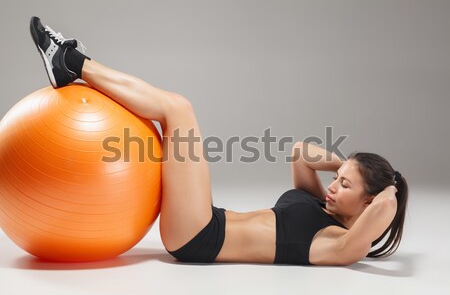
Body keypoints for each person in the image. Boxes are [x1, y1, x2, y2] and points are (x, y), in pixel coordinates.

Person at [29, 16, 409, 266]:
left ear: (370, 201)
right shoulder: (319, 205)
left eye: (345, 186)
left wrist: (389, 188)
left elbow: (378, 215)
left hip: (200, 239)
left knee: (178, 110)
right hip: (208, 220)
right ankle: (70, 65)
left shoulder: (335, 243)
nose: (333, 186)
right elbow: (301, 153)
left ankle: (71, 61)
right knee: (168, 120)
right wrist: (347, 168)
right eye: (337, 179)